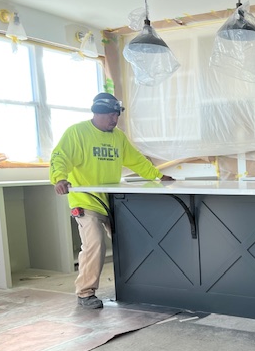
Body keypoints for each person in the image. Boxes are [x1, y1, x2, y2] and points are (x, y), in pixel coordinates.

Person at [50, 92, 174, 309]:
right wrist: (59, 178)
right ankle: (85, 293)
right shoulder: (77, 133)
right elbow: (60, 157)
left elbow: (136, 160)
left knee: (131, 241)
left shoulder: (118, 137)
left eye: (117, 115)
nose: (114, 120)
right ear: (97, 112)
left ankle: (139, 284)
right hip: (86, 201)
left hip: (113, 202)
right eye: (110, 115)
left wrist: (158, 176)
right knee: (95, 243)